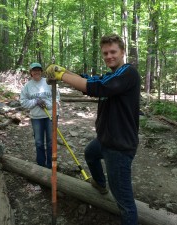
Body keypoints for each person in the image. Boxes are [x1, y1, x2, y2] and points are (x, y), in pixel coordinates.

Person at [45, 34, 140, 225]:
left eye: (113, 52)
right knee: (90, 153)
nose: (109, 56)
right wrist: (66, 71)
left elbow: (99, 88)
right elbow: (91, 81)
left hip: (119, 146)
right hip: (106, 139)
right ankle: (99, 184)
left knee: (124, 202)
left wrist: (62, 76)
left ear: (122, 52)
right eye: (105, 53)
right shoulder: (112, 75)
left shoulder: (128, 73)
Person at [20, 62, 60, 169]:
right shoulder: (27, 86)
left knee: (51, 142)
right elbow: (23, 102)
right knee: (39, 142)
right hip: (36, 118)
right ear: (31, 73)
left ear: (41, 71)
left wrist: (48, 105)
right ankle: (41, 166)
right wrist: (35, 102)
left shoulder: (49, 82)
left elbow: (57, 99)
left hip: (51, 116)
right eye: (34, 70)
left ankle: (51, 165)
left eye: (38, 70)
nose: (36, 72)